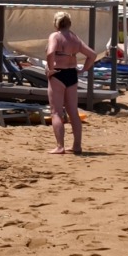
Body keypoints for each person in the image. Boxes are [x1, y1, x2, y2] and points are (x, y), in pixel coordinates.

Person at [46, 11, 98, 155]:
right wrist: (84, 69)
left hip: (58, 74)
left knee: (56, 112)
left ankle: (60, 146)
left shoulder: (55, 36)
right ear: (69, 23)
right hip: (71, 74)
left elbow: (50, 53)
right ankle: (77, 145)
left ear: (56, 23)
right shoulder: (75, 38)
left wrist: (50, 69)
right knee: (73, 112)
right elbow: (92, 55)